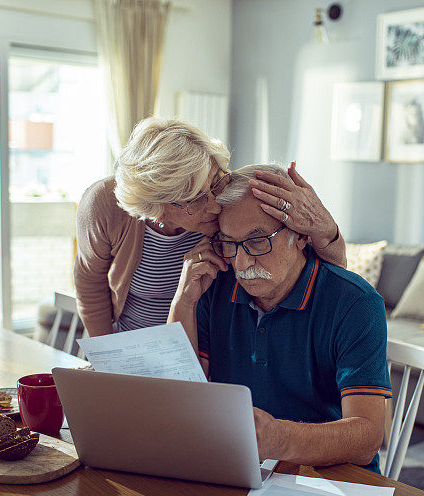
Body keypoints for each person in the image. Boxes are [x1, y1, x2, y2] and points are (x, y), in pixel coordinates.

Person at [168, 164, 391, 472]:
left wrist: (278, 438)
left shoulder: (355, 302)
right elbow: (175, 403)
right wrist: (183, 301)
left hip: (330, 480)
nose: (242, 261)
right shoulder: (213, 285)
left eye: (258, 241)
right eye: (229, 243)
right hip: (239, 469)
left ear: (300, 236)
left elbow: (367, 438)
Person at [74, 117, 347, 337]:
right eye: (196, 199)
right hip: (130, 345)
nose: (217, 205)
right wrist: (108, 356)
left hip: (202, 354)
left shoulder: (232, 204)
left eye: (217, 181)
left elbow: (330, 279)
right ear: (158, 207)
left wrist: (325, 229)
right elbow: (89, 284)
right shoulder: (104, 206)